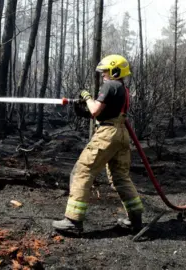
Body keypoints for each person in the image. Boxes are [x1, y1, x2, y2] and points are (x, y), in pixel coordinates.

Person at [52, 54, 144, 234]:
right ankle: (135, 220)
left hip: (107, 134)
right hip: (121, 134)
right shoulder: (123, 89)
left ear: (115, 71)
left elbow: (94, 110)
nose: (103, 74)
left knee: (82, 171)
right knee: (120, 177)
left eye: (106, 71)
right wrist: (83, 109)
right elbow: (103, 112)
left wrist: (86, 97)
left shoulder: (110, 85)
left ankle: (73, 221)